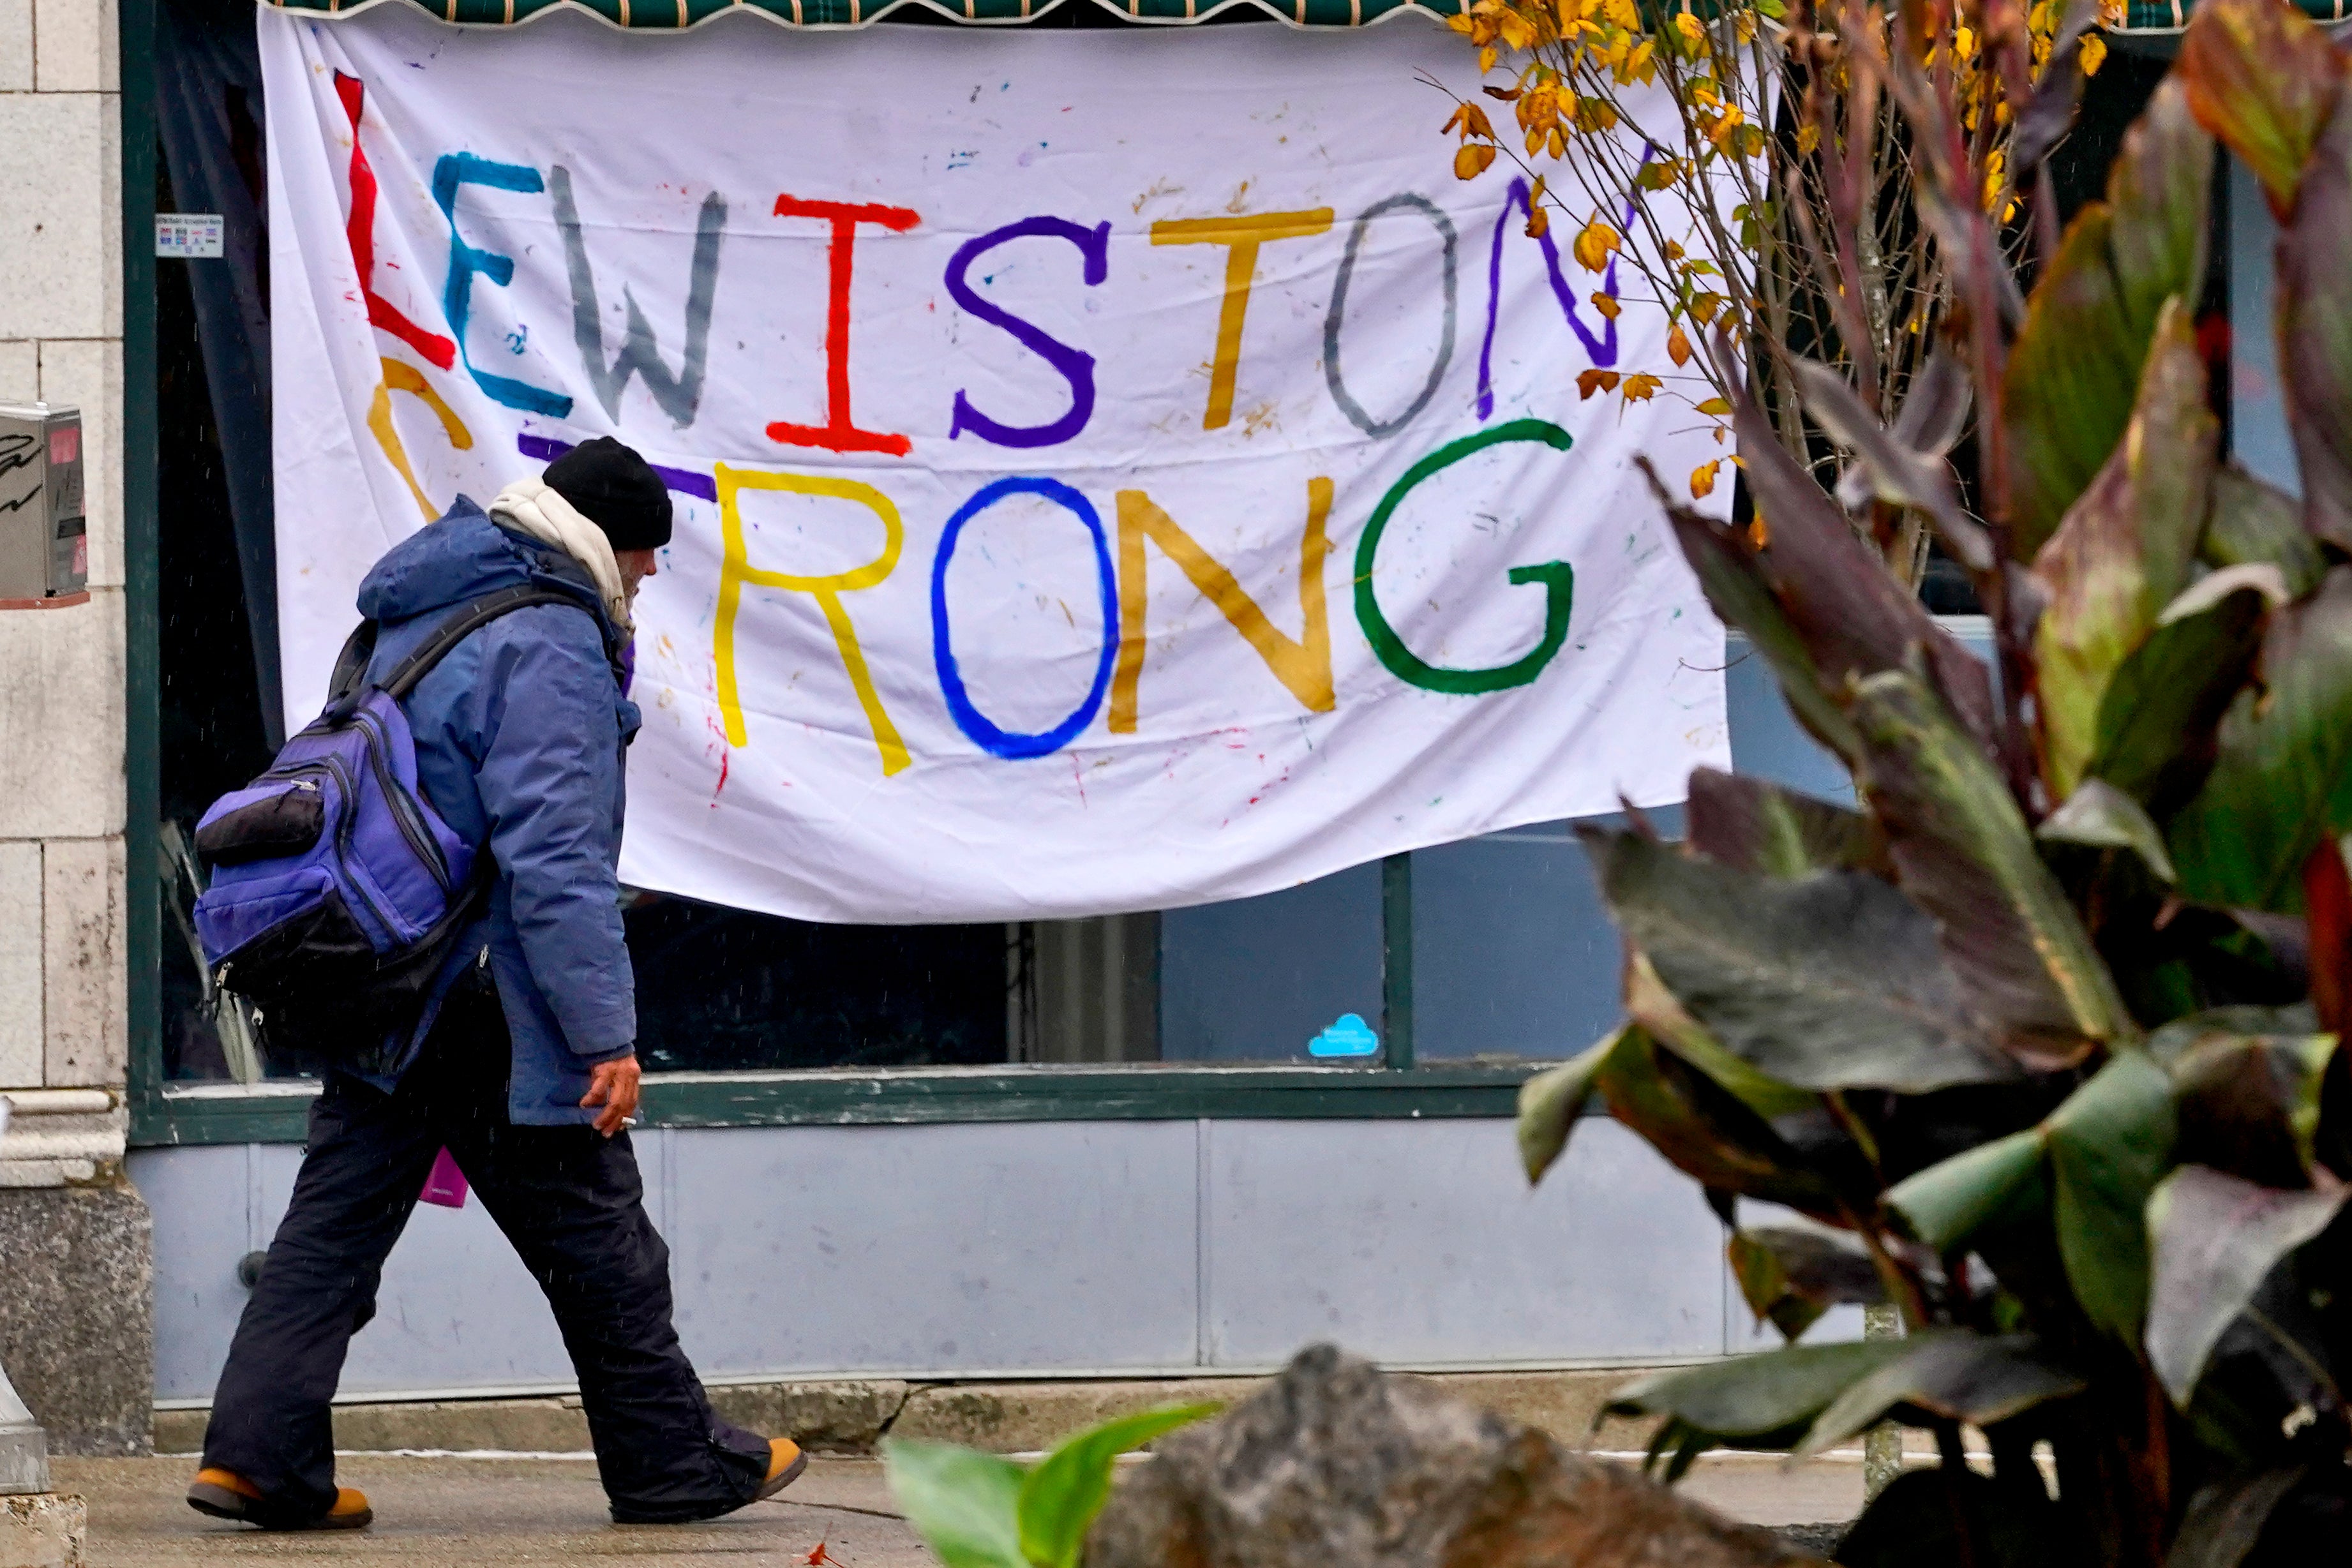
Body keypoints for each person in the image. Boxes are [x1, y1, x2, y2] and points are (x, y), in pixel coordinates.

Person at [187, 439, 800, 1530]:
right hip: (484, 994)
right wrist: (604, 1033)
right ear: (608, 543)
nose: (649, 578)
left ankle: (257, 1454)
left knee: (333, 1228)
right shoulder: (551, 635)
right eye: (646, 556)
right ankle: (669, 1462)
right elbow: (554, 860)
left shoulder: (423, 603)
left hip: (385, 975)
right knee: (598, 1232)